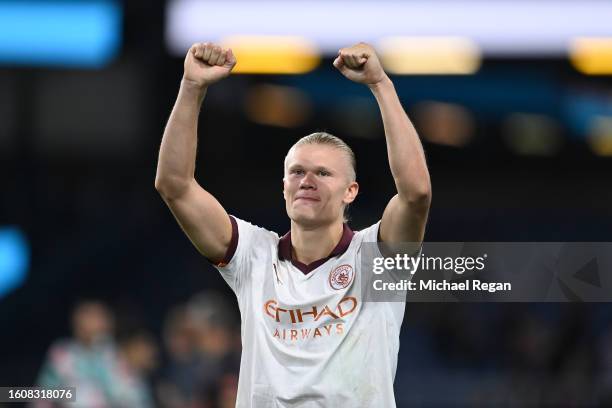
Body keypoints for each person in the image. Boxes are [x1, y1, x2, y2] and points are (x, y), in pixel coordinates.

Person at [155, 41, 431, 407]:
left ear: (351, 191)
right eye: (297, 171)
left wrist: (381, 84)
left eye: (323, 173)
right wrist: (191, 87)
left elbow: (415, 193)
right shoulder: (253, 255)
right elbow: (174, 185)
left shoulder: (376, 259)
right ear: (284, 187)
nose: (307, 180)